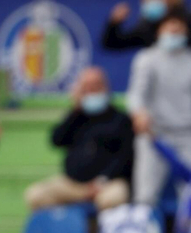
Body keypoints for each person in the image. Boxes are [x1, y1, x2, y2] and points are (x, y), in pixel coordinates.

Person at [126, 14, 191, 207]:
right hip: (154, 136)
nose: (174, 33)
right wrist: (139, 113)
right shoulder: (146, 59)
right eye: (170, 29)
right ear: (159, 32)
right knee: (145, 195)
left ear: (186, 33)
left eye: (179, 30)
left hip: (187, 136)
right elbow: (136, 94)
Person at [24, 68, 134, 213]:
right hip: (73, 184)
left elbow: (125, 157)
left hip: (107, 183)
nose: (91, 91)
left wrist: (102, 180)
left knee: (112, 199)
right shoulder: (77, 117)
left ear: (105, 87)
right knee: (35, 195)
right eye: (86, 88)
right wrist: (74, 110)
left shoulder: (120, 119)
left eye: (95, 86)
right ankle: (65, 230)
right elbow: (56, 140)